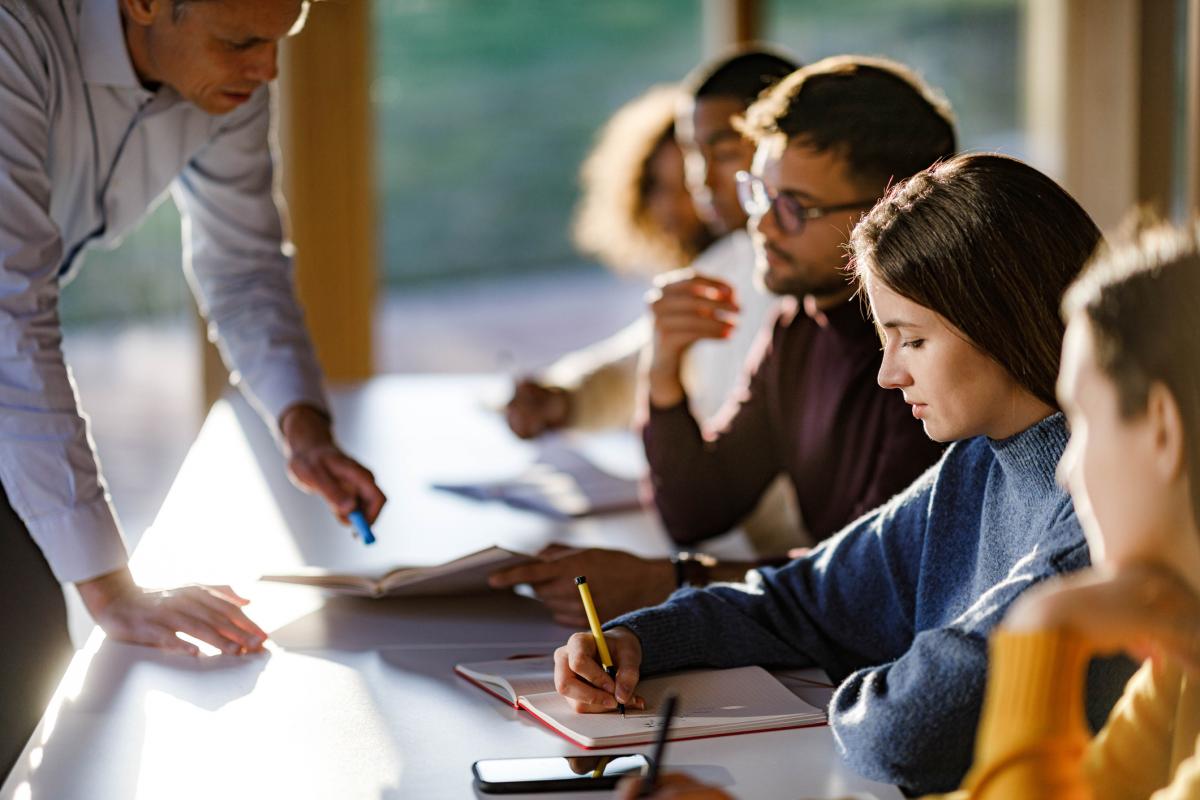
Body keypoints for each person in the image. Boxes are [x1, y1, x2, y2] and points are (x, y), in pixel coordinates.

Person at [555, 153, 1135, 795]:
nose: (890, 374)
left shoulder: (1101, 513)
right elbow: (800, 598)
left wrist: (872, 676)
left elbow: (910, 732)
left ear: (1000, 318)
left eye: (912, 340)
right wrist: (641, 638)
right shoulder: (978, 461)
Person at [0, 0, 385, 775]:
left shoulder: (228, 81)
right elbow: (9, 309)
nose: (267, 69)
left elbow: (242, 265)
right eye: (242, 41)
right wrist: (116, 589)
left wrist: (302, 425)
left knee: (32, 677)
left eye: (280, 41)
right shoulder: (15, 33)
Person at [492, 55, 948, 627]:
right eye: (759, 192)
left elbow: (874, 582)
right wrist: (663, 373)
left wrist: (671, 580)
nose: (761, 226)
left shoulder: (925, 358)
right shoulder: (799, 324)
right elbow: (698, 509)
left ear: (895, 208)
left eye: (796, 207)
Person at [927, 223, 1200, 799]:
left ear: (1160, 428)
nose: (1065, 470)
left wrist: (1044, 625)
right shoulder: (1182, 654)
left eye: (1081, 423)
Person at [506, 83, 714, 438]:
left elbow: (639, 365)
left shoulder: (732, 270)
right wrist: (561, 398)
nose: (670, 208)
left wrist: (565, 398)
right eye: (658, 187)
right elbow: (636, 359)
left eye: (687, 187)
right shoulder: (699, 272)